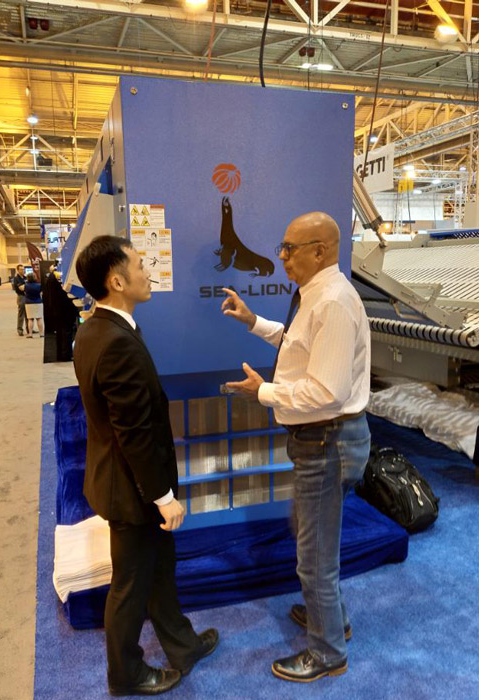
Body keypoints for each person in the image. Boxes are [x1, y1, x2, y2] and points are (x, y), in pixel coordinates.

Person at [221, 212, 371, 684]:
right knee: (311, 537)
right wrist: (254, 322)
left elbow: (325, 392)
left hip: (327, 441)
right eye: (282, 248)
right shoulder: (318, 296)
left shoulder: (333, 303)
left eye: (290, 248)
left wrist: (263, 392)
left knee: (314, 558)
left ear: (320, 251)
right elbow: (298, 346)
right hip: (321, 441)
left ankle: (328, 652)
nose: (282, 256)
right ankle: (331, 617)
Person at [73, 235, 218, 697]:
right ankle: (126, 673)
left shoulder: (97, 329)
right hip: (132, 489)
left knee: (158, 571)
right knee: (130, 585)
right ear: (117, 281)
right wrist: (163, 497)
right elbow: (133, 433)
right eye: (139, 265)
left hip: (125, 481)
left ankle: (183, 646)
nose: (147, 272)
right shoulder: (116, 342)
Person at [24, 273, 44, 339]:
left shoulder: (26, 286)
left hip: (29, 303)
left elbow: (24, 292)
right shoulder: (39, 285)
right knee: (39, 318)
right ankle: (41, 333)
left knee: (30, 319)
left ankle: (30, 334)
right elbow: (41, 293)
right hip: (38, 302)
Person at [13, 264, 27, 336]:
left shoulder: (25, 277)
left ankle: (29, 328)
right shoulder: (16, 278)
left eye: (23, 269)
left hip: (27, 296)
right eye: (21, 269)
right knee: (21, 314)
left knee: (28, 314)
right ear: (18, 270)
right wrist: (26, 286)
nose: (23, 270)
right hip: (21, 297)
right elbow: (21, 288)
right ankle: (20, 329)